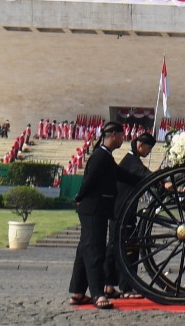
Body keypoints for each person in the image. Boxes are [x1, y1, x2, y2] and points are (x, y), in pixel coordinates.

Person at [68, 121, 127, 308]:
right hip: (94, 208)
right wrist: (79, 196)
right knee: (95, 250)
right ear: (114, 135)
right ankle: (97, 294)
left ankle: (77, 292)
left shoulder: (106, 156)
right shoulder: (100, 156)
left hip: (95, 208)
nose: (123, 139)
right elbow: (89, 181)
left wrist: (150, 179)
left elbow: (122, 175)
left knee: (84, 250)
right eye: (122, 135)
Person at [106, 132, 157, 296]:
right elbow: (145, 174)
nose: (149, 152)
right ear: (140, 145)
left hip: (124, 210)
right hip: (122, 211)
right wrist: (163, 180)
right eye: (148, 148)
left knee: (119, 247)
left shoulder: (132, 160)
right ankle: (125, 286)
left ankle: (112, 285)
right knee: (124, 248)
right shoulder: (131, 161)